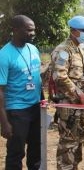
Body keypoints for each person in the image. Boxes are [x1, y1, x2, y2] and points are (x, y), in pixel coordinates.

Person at [50, 15, 84, 169]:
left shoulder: (80, 51)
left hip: (82, 108)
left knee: (79, 144)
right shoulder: (63, 50)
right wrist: (79, 94)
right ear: (74, 31)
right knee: (68, 146)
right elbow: (59, 76)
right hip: (69, 108)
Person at [0, 15, 41, 170]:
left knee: (36, 151)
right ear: (15, 30)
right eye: (29, 30)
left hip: (36, 107)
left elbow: (37, 79)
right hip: (17, 111)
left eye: (34, 30)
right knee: (16, 153)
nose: (32, 33)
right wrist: (4, 123)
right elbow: (0, 91)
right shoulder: (4, 55)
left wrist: (42, 103)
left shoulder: (34, 49)